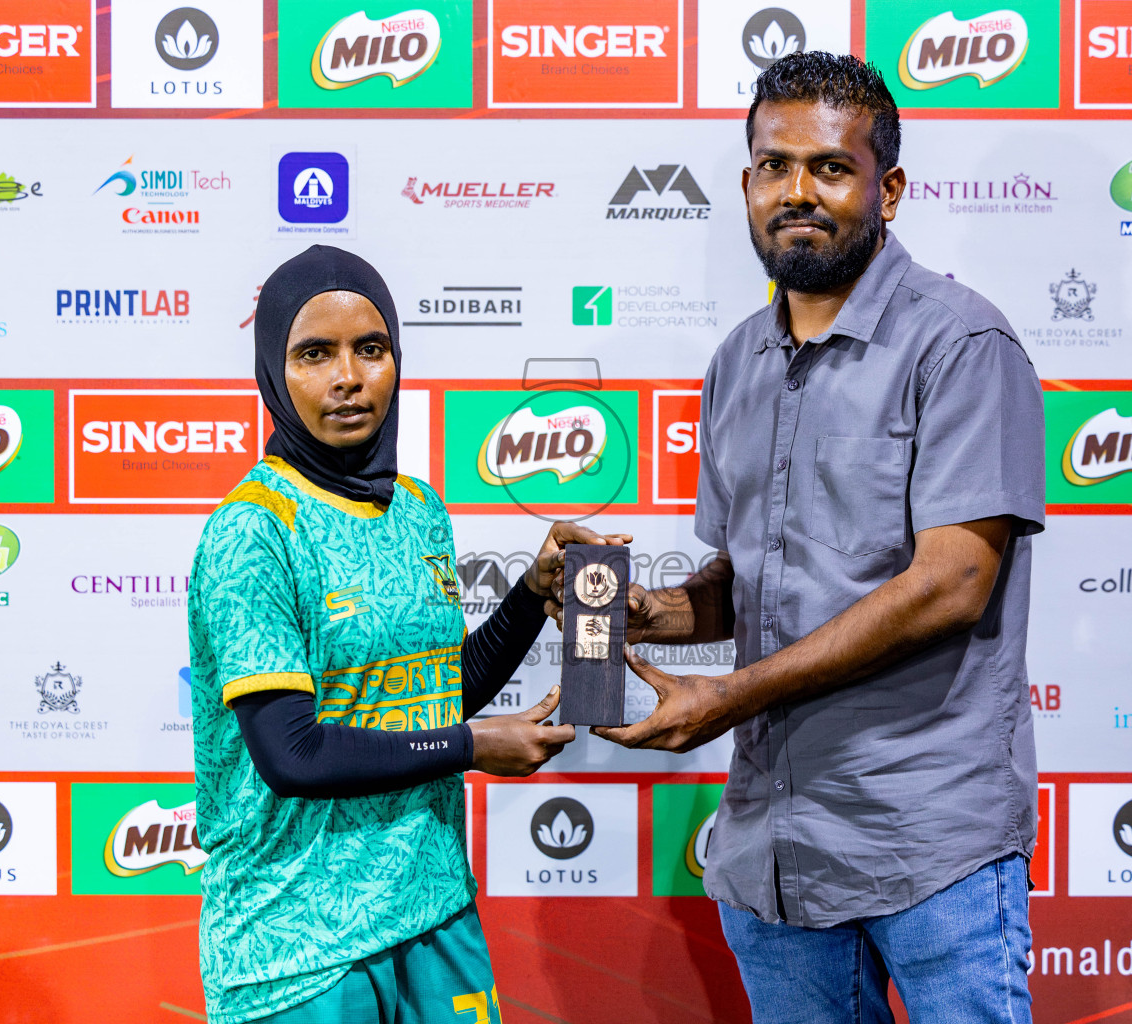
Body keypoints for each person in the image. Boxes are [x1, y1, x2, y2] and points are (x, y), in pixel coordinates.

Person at [584, 53, 1046, 1023]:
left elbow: (954, 581)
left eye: (830, 168)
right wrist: (649, 611)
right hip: (776, 850)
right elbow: (743, 580)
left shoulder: (962, 344)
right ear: (748, 182)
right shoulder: (736, 362)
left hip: (930, 842)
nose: (798, 192)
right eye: (772, 165)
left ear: (889, 188)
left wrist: (730, 696)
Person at [189, 245, 626, 1024]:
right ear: (272, 374)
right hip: (299, 949)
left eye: (372, 348)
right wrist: (470, 747)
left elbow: (435, 690)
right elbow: (294, 755)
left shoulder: (418, 506)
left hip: (434, 906)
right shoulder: (251, 531)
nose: (348, 377)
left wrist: (532, 593)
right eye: (314, 353)